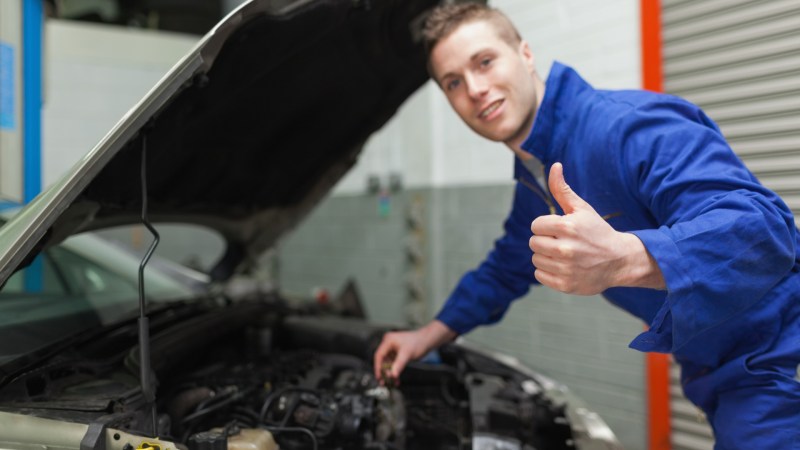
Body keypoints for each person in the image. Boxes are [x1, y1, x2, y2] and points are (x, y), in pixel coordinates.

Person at [373, 2, 800, 448]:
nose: (476, 89)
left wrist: (628, 258)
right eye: (454, 82)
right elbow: (507, 267)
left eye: (484, 61)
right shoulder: (540, 173)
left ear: (525, 53)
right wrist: (429, 335)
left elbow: (763, 228)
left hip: (777, 356)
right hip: (721, 367)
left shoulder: (627, 128)